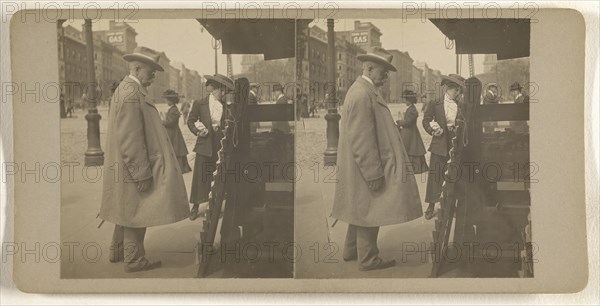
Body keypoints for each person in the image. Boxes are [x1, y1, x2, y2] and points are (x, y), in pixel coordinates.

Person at [331, 47, 423, 271]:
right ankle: (369, 259)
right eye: (384, 71)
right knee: (372, 210)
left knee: (360, 207)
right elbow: (362, 139)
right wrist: (373, 172)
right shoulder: (363, 94)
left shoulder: (363, 90)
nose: (386, 76)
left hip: (361, 166)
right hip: (367, 166)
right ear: (370, 68)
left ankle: (351, 249)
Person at [100, 46, 189, 273]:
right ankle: (134, 259)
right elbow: (130, 139)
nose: (154, 75)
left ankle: (117, 250)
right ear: (137, 68)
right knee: (137, 211)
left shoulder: (128, 89)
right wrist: (141, 172)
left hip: (124, 166)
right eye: (151, 71)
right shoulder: (131, 93)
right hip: (133, 166)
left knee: (126, 207)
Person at [187, 74, 234, 221]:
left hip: (219, 144)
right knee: (200, 177)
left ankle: (215, 207)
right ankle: (195, 206)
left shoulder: (226, 106)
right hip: (205, 144)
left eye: (226, 92)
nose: (224, 94)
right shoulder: (199, 103)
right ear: (215, 90)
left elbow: (230, 123)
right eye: (223, 91)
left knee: (217, 176)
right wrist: (197, 130)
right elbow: (191, 121)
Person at [422, 73, 465, 220]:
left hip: (455, 144)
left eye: (459, 91)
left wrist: (457, 127)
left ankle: (450, 206)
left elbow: (464, 122)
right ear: (448, 89)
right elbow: (426, 120)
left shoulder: (460, 105)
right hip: (439, 144)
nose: (457, 93)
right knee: (435, 175)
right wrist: (433, 129)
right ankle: (431, 205)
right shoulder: (435, 103)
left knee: (453, 176)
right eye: (455, 90)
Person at [396, 89, 428, 175]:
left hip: (410, 132)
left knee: (411, 149)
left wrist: (399, 122)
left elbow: (408, 122)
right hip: (408, 132)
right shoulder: (411, 108)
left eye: (405, 100)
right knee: (410, 148)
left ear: (409, 100)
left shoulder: (412, 109)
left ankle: (412, 168)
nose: (404, 101)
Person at [162, 89, 192, 174]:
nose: (166, 101)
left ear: (171, 101)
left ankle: (179, 168)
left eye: (167, 100)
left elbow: (170, 122)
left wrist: (162, 121)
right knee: (174, 149)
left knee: (176, 150)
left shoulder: (174, 109)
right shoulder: (172, 108)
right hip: (172, 133)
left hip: (174, 133)